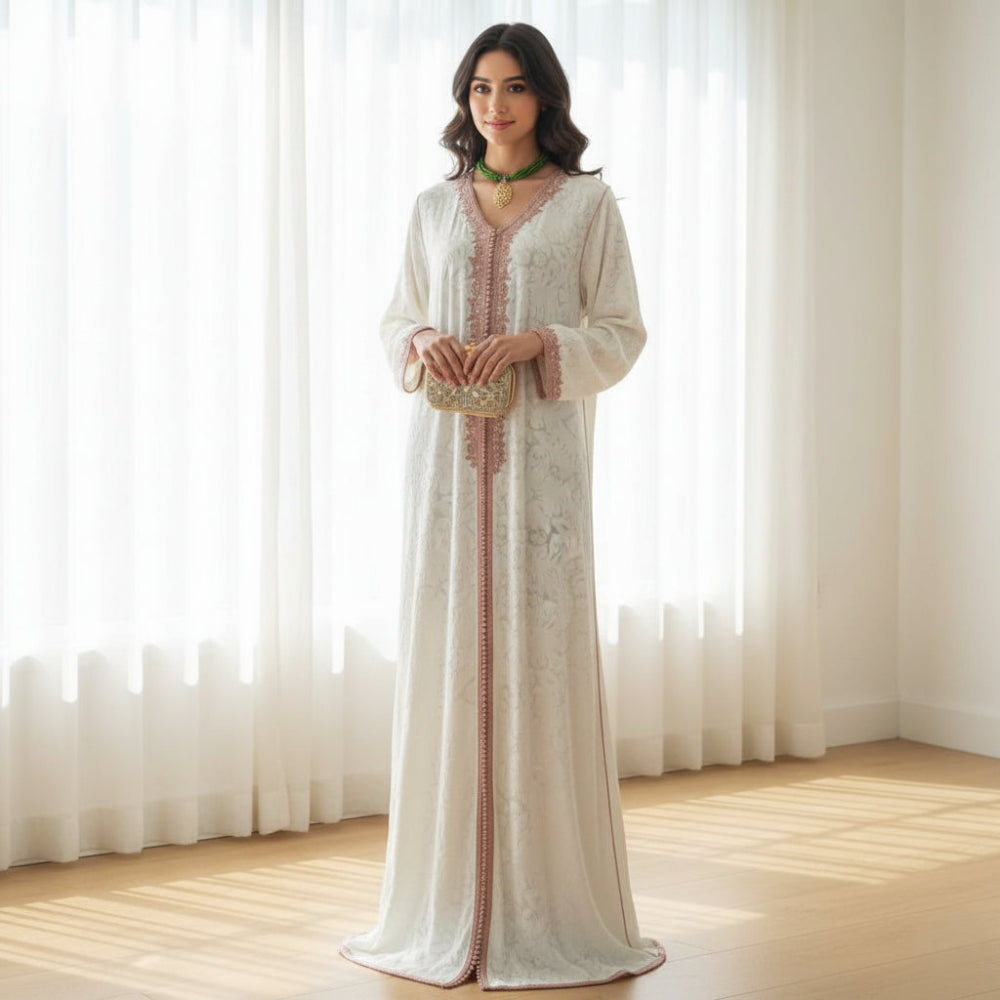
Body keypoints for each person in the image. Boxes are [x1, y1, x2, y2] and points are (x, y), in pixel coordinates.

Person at [340, 22, 665, 991]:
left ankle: (545, 908)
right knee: (450, 655)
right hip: (445, 466)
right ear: (464, 98)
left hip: (541, 470)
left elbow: (621, 330)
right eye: (480, 87)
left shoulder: (586, 205)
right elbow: (395, 317)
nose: (496, 105)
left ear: (545, 97)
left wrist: (537, 343)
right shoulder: (432, 207)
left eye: (515, 87)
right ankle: (444, 904)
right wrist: (422, 339)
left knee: (540, 660)